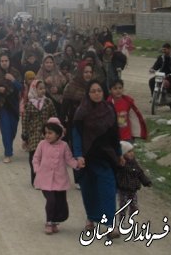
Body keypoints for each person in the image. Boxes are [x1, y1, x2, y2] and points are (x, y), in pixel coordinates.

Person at [72, 80, 122, 238]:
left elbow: (115, 134)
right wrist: (78, 154)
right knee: (89, 190)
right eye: (93, 91)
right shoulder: (81, 111)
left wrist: (119, 153)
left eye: (99, 90)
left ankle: (110, 225)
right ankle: (91, 218)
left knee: (108, 189)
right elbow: (76, 135)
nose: (96, 94)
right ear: (88, 93)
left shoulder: (109, 109)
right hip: (87, 157)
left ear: (104, 92)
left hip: (106, 156)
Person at [32, 118, 79, 235]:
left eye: (50, 133)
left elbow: (69, 159)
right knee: (51, 200)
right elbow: (36, 158)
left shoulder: (64, 145)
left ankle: (54, 222)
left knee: (60, 202)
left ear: (58, 134)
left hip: (60, 180)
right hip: (44, 179)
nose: (47, 135)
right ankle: (48, 222)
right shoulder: (42, 144)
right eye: (45, 133)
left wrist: (77, 165)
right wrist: (38, 170)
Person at [21, 80, 57, 186]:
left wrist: (56, 129)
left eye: (43, 88)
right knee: (34, 157)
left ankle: (45, 179)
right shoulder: (29, 104)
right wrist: (24, 134)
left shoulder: (48, 102)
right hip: (34, 134)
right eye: (40, 88)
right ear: (34, 89)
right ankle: (35, 179)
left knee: (46, 157)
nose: (42, 91)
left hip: (47, 134)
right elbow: (25, 120)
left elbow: (54, 115)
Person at [0, 53, 22, 163]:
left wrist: (13, 80)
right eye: (2, 61)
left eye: (6, 60)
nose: (4, 63)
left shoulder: (15, 72)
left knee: (13, 130)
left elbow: (20, 87)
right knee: (5, 130)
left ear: (9, 61)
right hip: (2, 105)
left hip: (14, 105)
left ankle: (9, 146)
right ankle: (8, 153)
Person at [116, 141, 152, 220]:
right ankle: (121, 220)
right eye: (129, 152)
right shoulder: (120, 164)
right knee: (123, 205)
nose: (132, 153)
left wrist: (146, 181)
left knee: (134, 205)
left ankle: (131, 218)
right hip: (123, 189)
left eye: (132, 151)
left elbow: (140, 173)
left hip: (133, 189)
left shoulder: (134, 163)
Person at [149, 42, 171, 109]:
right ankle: (154, 97)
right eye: (163, 49)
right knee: (151, 81)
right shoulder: (161, 57)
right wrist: (152, 69)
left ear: (170, 49)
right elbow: (156, 65)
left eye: (165, 49)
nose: (163, 51)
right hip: (161, 75)